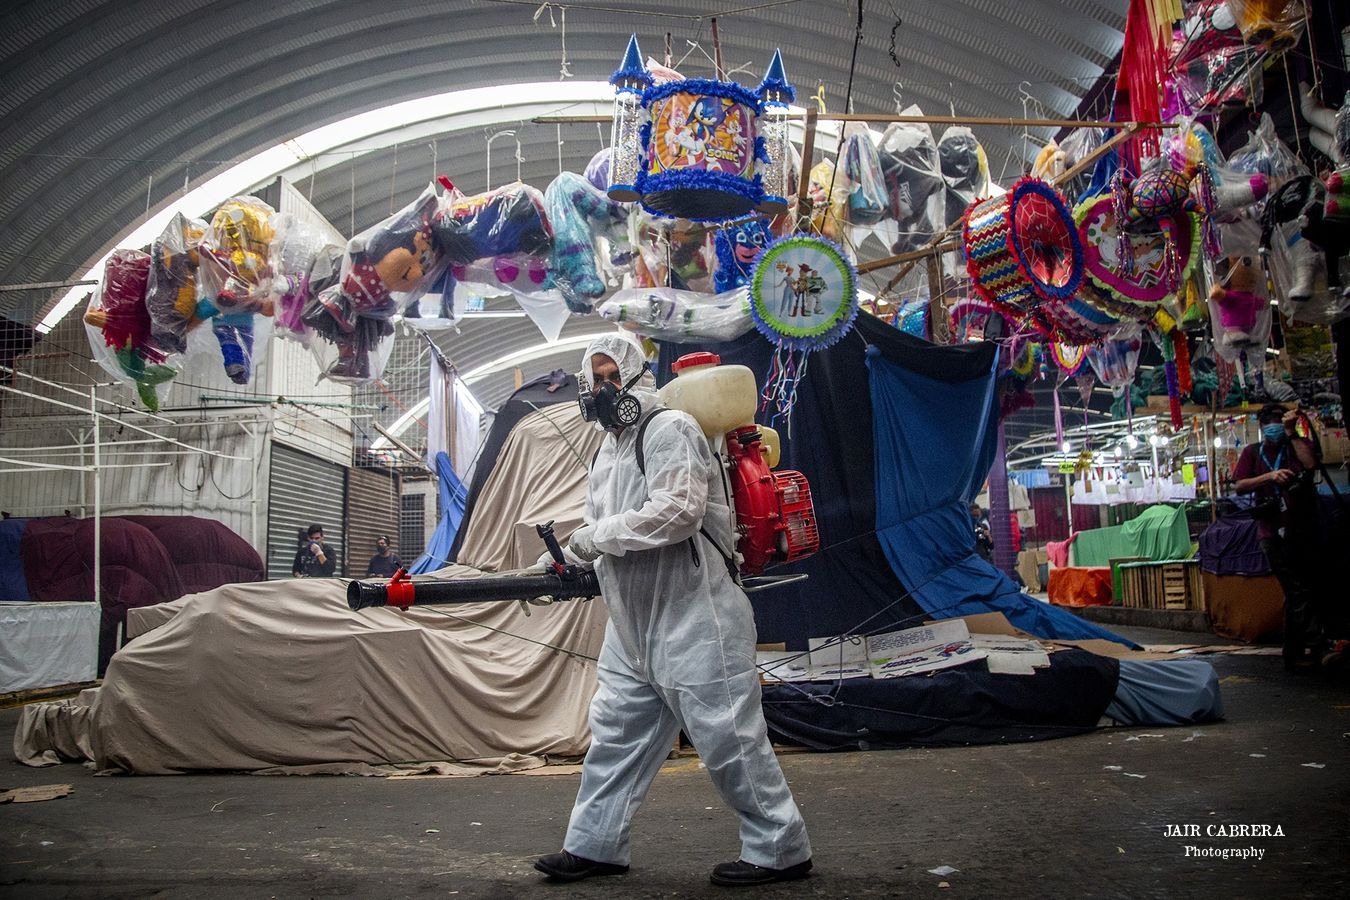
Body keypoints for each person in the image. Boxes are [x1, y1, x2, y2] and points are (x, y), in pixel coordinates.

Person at [533, 331, 812, 887]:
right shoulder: (606, 453)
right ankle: (595, 845)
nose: (603, 389)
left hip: (696, 615)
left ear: (638, 377)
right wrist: (573, 559)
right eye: (596, 380)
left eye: (614, 377)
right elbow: (610, 539)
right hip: (633, 625)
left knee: (729, 739)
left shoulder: (671, 429)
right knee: (613, 736)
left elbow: (677, 513)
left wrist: (595, 537)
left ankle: (780, 847)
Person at [1231, 403, 1321, 670]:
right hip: (1271, 532)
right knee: (1296, 588)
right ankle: (1315, 646)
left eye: (1277, 423)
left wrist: (1292, 433)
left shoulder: (1296, 444)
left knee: (1302, 589)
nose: (1273, 428)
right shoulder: (1253, 452)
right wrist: (1269, 476)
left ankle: (1293, 652)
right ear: (1261, 427)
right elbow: (1239, 486)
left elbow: (1310, 463)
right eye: (1268, 423)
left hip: (1303, 528)